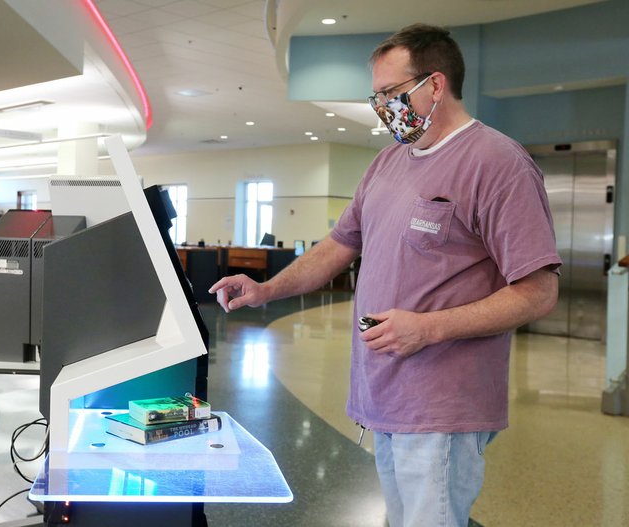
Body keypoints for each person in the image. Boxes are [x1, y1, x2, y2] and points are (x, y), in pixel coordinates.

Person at [209, 23, 562, 527]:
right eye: (375, 95)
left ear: (435, 85)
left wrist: (428, 327)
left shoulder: (497, 163)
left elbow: (538, 291)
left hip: (443, 403)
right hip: (384, 393)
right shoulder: (387, 163)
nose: (382, 107)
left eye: (392, 93)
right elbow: (338, 245)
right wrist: (266, 289)